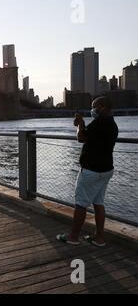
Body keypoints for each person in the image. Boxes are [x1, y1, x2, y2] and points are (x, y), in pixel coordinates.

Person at [57, 97, 118, 247]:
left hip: (91, 170)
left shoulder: (99, 123)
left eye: (94, 107)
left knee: (81, 204)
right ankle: (99, 238)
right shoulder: (112, 124)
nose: (93, 110)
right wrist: (83, 124)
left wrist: (79, 125)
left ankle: (73, 236)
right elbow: (91, 137)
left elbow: (81, 137)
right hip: (106, 170)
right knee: (98, 203)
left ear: (103, 107)